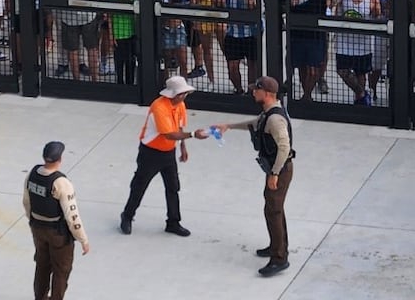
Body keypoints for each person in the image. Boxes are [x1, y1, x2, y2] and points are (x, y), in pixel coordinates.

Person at [213, 76, 296, 277]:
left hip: (280, 170)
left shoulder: (275, 119)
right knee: (273, 208)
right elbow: (255, 123)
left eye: (256, 90)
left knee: (274, 210)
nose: (253, 92)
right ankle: (276, 246)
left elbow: (284, 147)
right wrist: (229, 126)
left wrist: (275, 173)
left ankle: (279, 258)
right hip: (276, 169)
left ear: (267, 94)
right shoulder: (269, 113)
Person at [119, 75, 210, 237]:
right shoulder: (159, 107)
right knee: (140, 186)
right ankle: (127, 216)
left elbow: (179, 127)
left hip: (168, 152)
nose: (184, 96)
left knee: (173, 187)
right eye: (182, 93)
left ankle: (173, 222)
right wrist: (193, 135)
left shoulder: (180, 105)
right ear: (173, 94)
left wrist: (183, 147)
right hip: (150, 153)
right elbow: (169, 134)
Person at [23, 140, 89, 300]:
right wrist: (83, 239)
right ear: (60, 159)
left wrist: (33, 221)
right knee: (61, 270)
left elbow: (26, 202)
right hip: (58, 233)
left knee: (42, 265)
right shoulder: (61, 183)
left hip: (37, 227)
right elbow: (72, 216)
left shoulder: (32, 174)